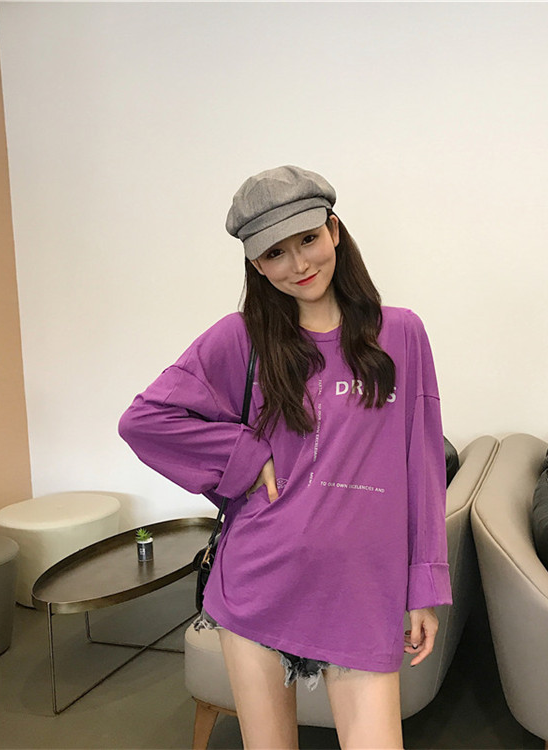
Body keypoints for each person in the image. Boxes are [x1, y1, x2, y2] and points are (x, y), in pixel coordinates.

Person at [118, 165, 453, 749]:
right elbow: (144, 421)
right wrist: (244, 454)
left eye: (308, 239)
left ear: (334, 231)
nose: (299, 264)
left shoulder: (400, 334)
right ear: (256, 264)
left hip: (361, 589)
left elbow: (421, 465)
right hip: (260, 580)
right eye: (275, 252)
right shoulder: (240, 339)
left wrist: (424, 585)